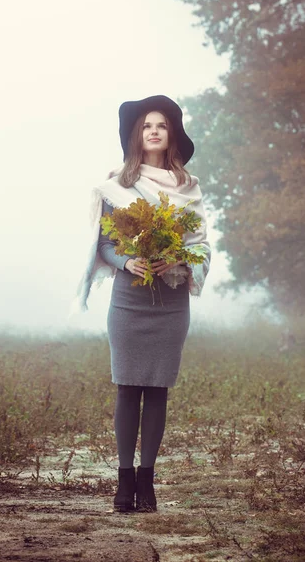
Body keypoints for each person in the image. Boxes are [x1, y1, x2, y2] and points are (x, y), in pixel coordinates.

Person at [72, 95, 211, 513]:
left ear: (172, 136)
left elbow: (201, 245)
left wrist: (181, 257)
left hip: (170, 302)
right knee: (127, 388)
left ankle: (148, 484)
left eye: (162, 125)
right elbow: (104, 244)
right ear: (137, 134)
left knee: (158, 389)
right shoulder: (119, 184)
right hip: (129, 300)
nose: (153, 130)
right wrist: (127, 259)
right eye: (147, 125)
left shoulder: (189, 188)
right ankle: (123, 481)